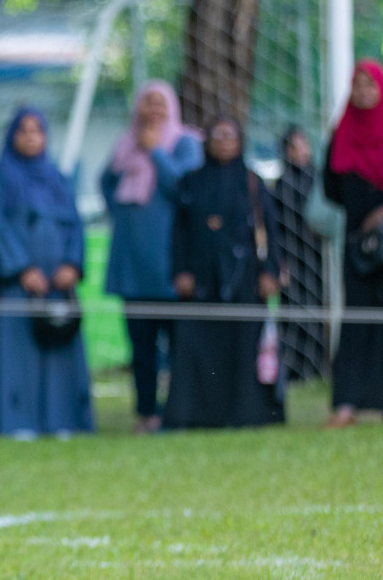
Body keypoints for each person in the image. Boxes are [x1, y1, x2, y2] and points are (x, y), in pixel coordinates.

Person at [0, 108, 93, 439]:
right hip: (19, 283)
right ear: (11, 136)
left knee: (60, 353)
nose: (31, 137)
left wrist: (72, 264)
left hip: (58, 282)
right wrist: (22, 268)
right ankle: (17, 421)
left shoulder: (58, 177)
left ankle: (62, 420)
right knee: (17, 352)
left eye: (38, 130)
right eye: (23, 130)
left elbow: (75, 223)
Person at [164, 118, 284, 429]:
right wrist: (181, 272)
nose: (224, 142)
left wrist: (270, 271)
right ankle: (196, 416)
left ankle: (249, 415)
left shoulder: (252, 182)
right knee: (199, 345)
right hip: (202, 279)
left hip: (245, 278)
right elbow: (179, 232)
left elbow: (270, 230)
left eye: (230, 136)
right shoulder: (191, 181)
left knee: (244, 345)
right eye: (217, 136)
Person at [100, 81, 203, 433]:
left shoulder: (186, 142)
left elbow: (185, 189)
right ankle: (147, 413)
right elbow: (107, 188)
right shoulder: (124, 145)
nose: (154, 111)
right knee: (141, 348)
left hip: (170, 267)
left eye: (161, 103)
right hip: (132, 267)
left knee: (177, 346)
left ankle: (178, 411)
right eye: (148, 103)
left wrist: (156, 152)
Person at [323, 59, 383, 427]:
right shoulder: (340, 133)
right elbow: (331, 189)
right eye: (356, 85)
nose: (362, 92)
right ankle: (346, 403)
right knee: (356, 316)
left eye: (369, 86)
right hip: (357, 243)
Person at [272, 125, 327, 384]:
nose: (301, 151)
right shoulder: (282, 184)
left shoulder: (319, 180)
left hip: (317, 259)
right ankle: (294, 365)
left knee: (318, 308)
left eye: (303, 145)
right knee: (293, 310)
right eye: (294, 147)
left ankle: (318, 364)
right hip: (292, 259)